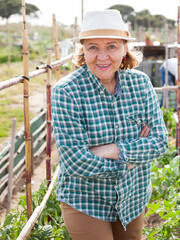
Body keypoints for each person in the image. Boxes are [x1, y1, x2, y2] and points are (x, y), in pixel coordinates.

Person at [51, 10, 168, 240]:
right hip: (85, 198)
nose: (102, 57)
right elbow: (76, 162)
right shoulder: (67, 92)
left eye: (112, 46)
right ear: (83, 50)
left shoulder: (140, 84)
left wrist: (111, 150)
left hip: (133, 196)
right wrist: (131, 160)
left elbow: (160, 142)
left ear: (125, 48)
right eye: (93, 47)